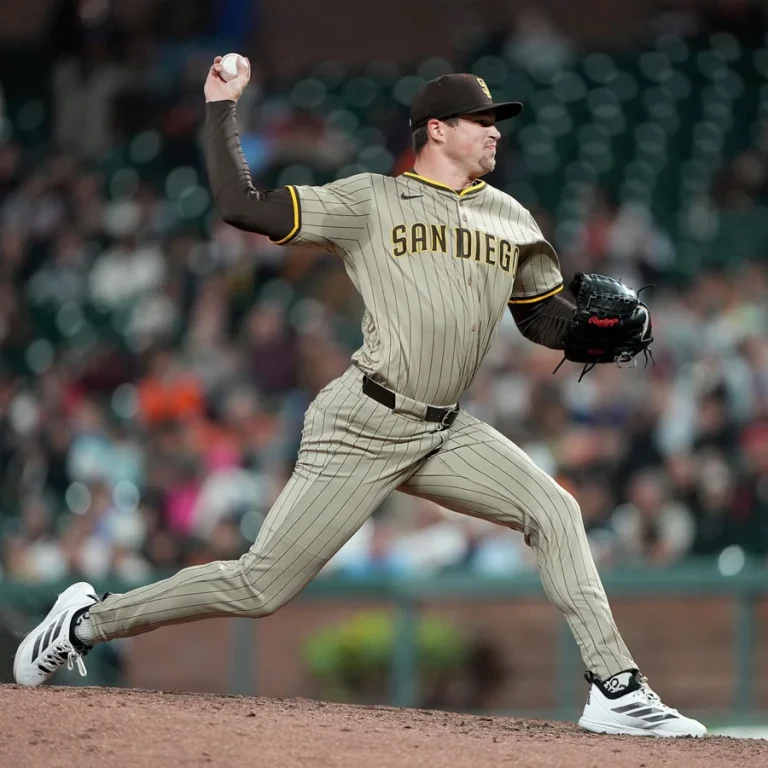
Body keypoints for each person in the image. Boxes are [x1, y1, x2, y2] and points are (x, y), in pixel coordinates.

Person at [14, 56, 705, 738]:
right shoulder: (370, 198)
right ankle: (85, 622)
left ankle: (617, 688)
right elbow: (240, 206)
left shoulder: (512, 218)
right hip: (363, 420)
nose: (496, 132)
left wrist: (591, 327)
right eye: (482, 121)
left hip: (445, 430)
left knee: (555, 510)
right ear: (436, 129)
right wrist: (223, 107)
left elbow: (540, 315)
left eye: (498, 121)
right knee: (259, 586)